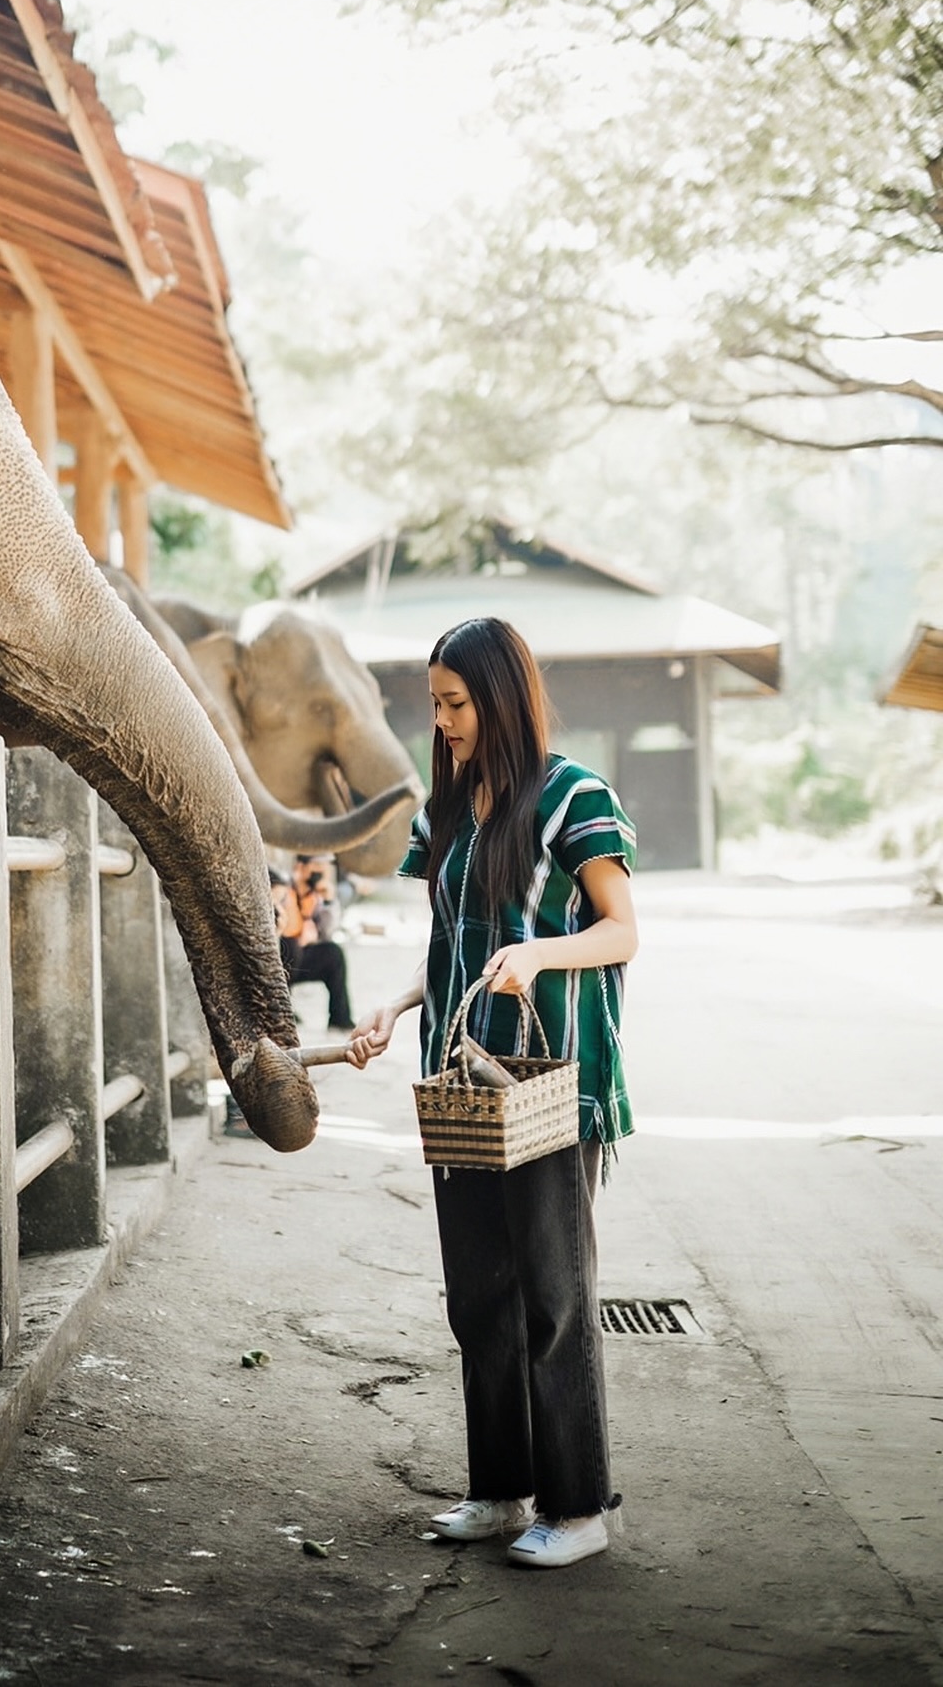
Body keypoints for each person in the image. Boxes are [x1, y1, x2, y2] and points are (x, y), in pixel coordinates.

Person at [346, 616, 638, 1570]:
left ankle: (581, 1508)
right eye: (434, 704)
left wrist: (540, 953)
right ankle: (502, 1491)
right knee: (479, 1295)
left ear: (502, 698)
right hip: (461, 1085)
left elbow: (620, 933)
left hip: (554, 1084)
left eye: (456, 703)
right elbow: (452, 952)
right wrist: (391, 1009)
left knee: (556, 1297)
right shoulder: (445, 813)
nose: (443, 722)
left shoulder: (573, 798)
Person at [273, 853, 353, 1033]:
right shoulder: (282, 890)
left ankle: (340, 1019)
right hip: (280, 956)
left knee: (333, 953)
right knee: (291, 946)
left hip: (301, 958)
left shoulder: (314, 897)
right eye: (316, 867)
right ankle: (281, 1011)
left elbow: (327, 933)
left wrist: (329, 902)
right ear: (300, 868)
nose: (321, 872)